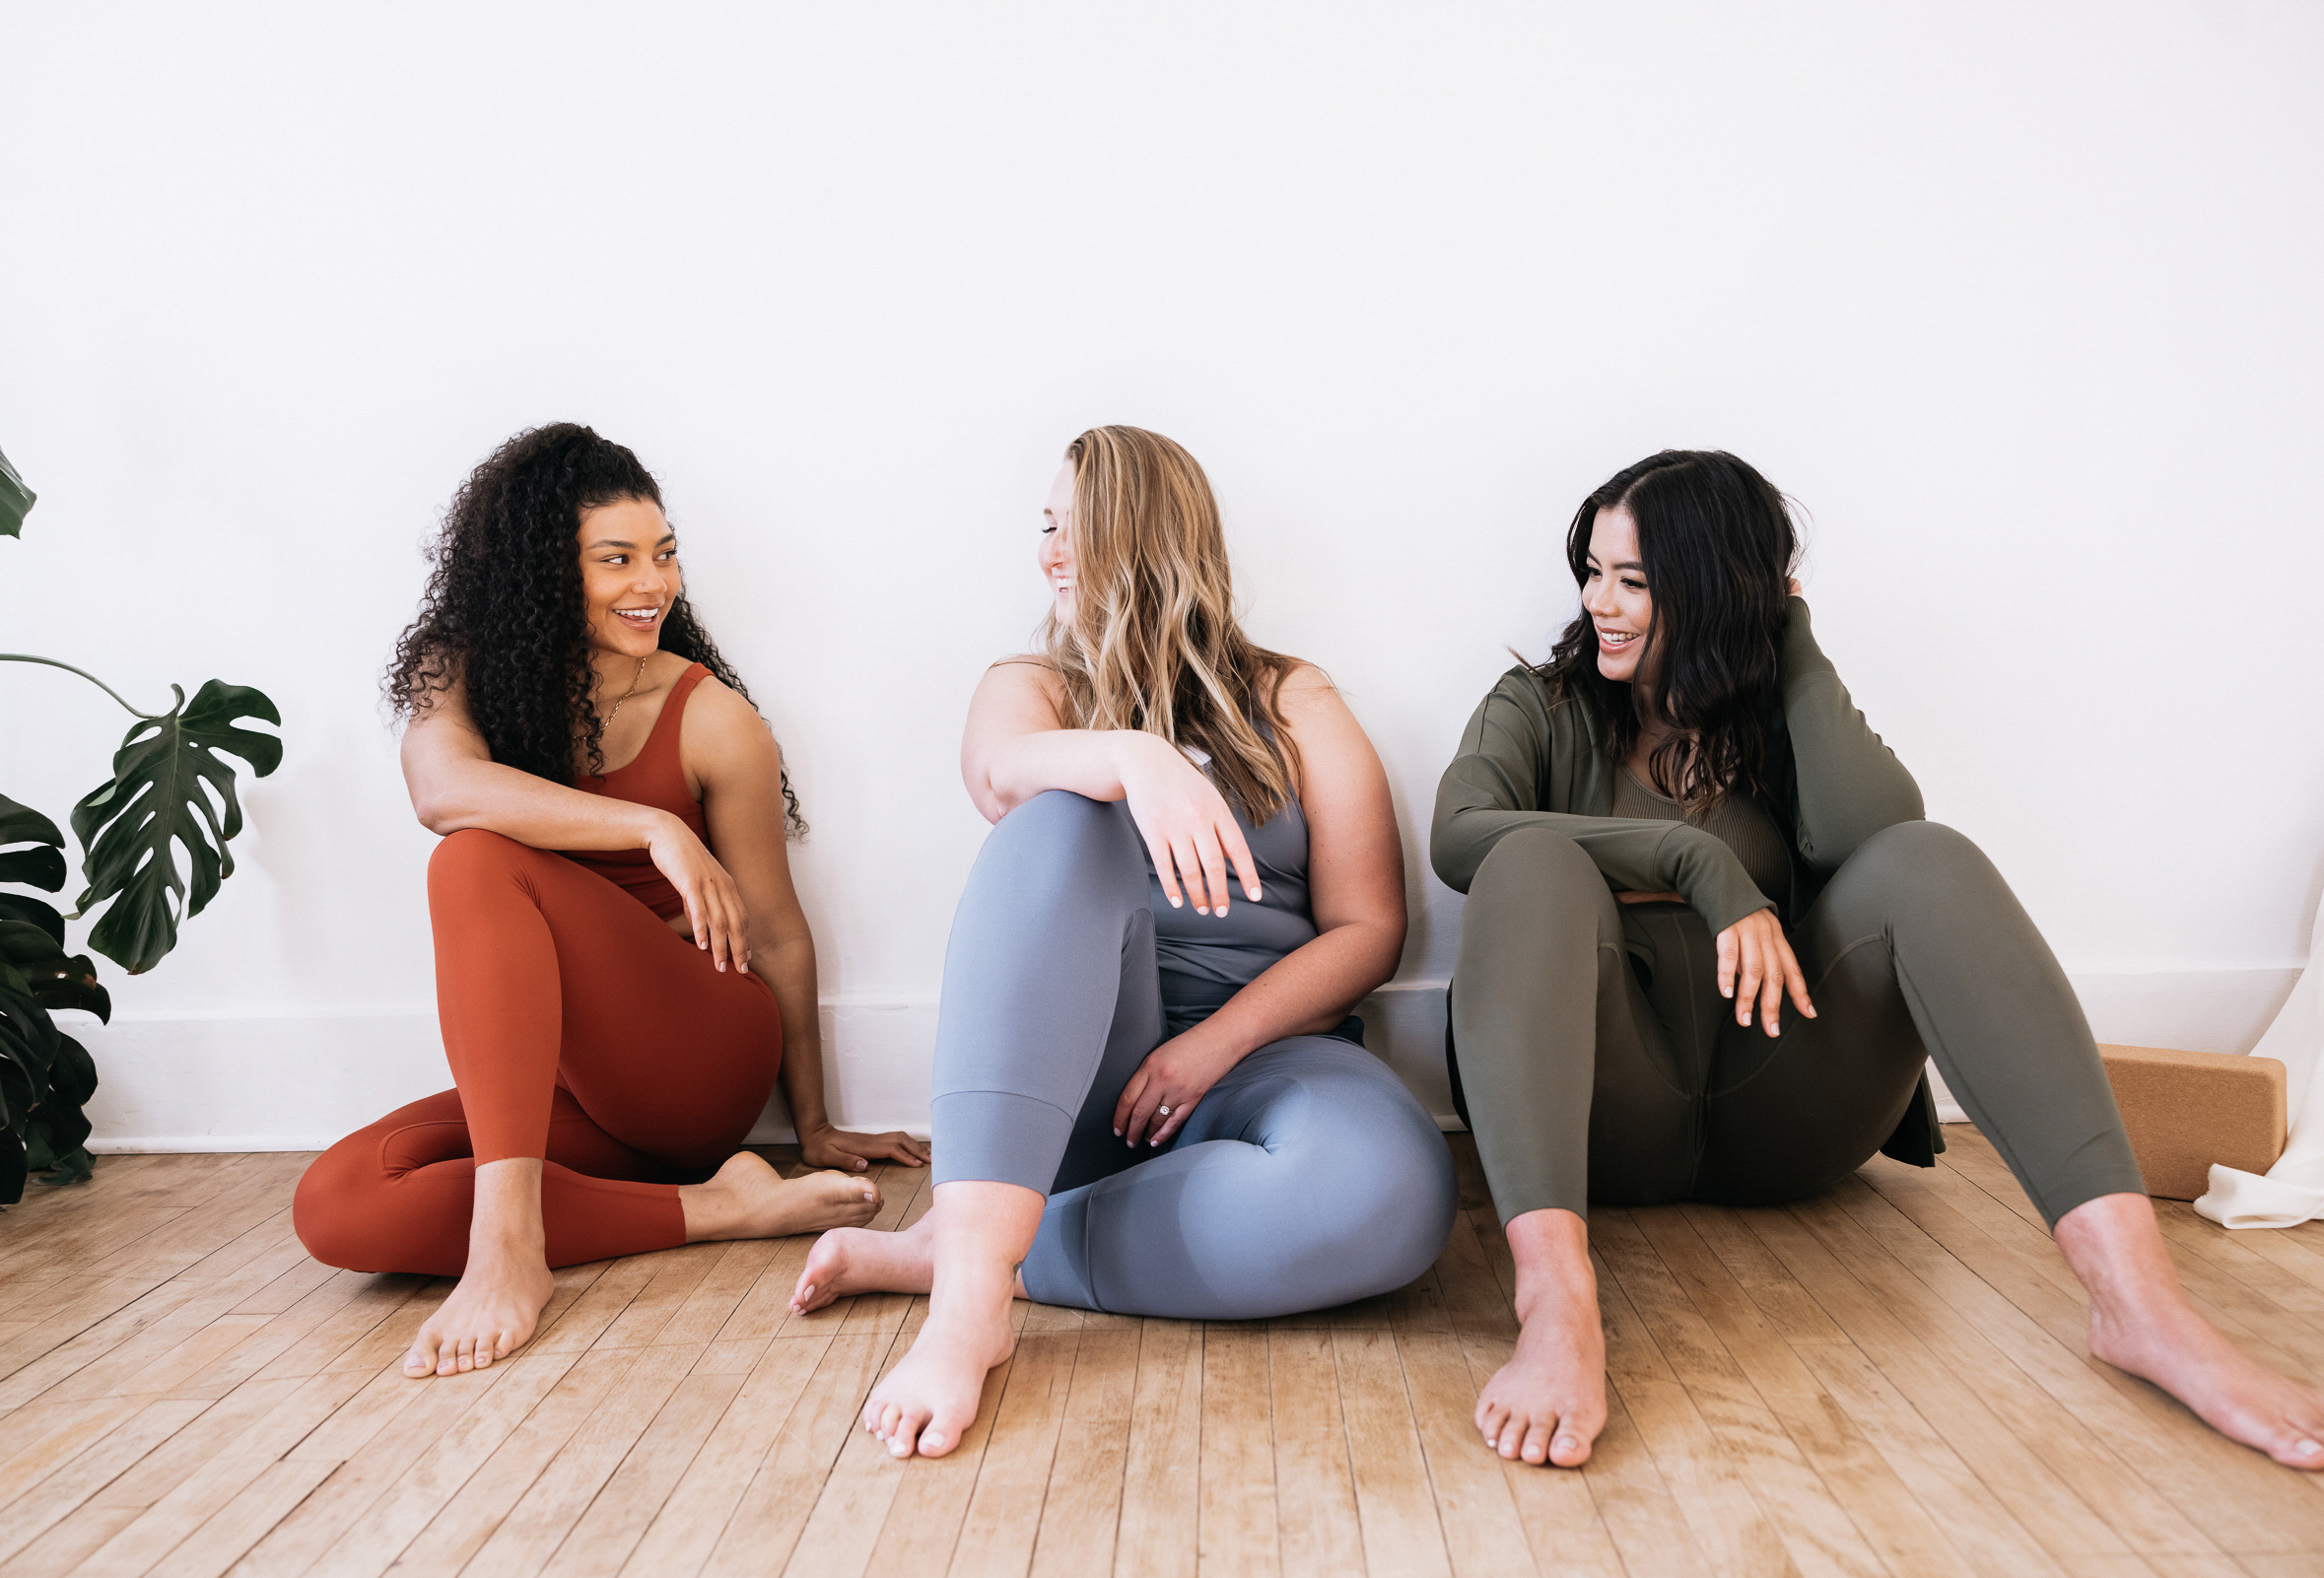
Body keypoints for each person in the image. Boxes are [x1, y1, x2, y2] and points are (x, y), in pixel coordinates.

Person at [1435, 448, 2324, 1471]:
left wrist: (1793, 634)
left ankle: (2143, 1306)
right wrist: (1698, 859)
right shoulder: (1539, 704)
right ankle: (1556, 1304)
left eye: (1633, 580)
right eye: (1591, 571)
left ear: (1721, 591)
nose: (1600, 602)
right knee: (1527, 857)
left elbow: (1877, 828)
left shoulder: (1779, 715)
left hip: (1783, 1108)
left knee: (1925, 857)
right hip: (1606, 1123)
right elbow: (1460, 835)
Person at [788, 425, 1456, 1459]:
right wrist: (1132, 756)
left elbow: (1369, 928)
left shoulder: (1295, 698)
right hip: (1087, 1069)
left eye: (1076, 528)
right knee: (1061, 808)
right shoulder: (1036, 687)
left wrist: (1217, 1041)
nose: (1050, 552)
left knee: (1394, 1196)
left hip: (1265, 1056)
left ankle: (969, 1247)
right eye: (1045, 527)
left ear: (1149, 536)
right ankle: (969, 1304)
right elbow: (998, 773)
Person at [293, 423, 925, 1379]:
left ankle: (509, 1246)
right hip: (571, 1082)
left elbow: (781, 935)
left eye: (664, 554)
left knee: (472, 862)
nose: (653, 584)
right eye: (616, 558)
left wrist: (815, 1121)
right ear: (542, 571)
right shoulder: (457, 670)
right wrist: (650, 828)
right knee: (337, 1203)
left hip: (700, 1050)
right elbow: (440, 786)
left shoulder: (712, 716)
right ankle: (722, 1207)